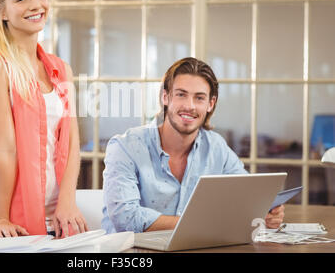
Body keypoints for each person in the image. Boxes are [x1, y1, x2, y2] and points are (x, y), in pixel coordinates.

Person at [101, 57, 285, 233]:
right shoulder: (125, 147)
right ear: (165, 97)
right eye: (181, 95)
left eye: (199, 98)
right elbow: (126, 218)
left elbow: (247, 198)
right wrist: (200, 225)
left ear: (210, 104)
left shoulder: (216, 147)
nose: (190, 106)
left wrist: (265, 213)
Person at [0, 0, 88, 238]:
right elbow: (5, 148)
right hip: (20, 224)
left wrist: (67, 201)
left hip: (61, 220)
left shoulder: (61, 69)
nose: (35, 5)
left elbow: (72, 143)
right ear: (0, 11)